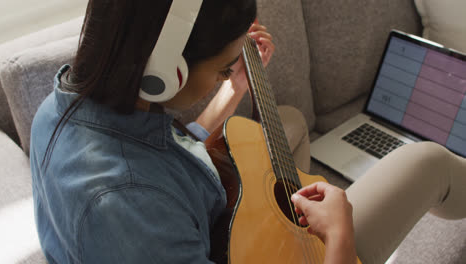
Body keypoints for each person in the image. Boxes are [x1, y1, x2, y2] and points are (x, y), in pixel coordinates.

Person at [29, 1, 466, 264]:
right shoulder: (130, 210)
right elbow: (144, 190)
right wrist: (338, 236)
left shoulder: (65, 105)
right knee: (427, 160)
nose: (226, 73)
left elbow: (161, 160)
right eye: (221, 66)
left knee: (289, 121)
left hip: (206, 223)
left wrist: (233, 87)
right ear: (163, 70)